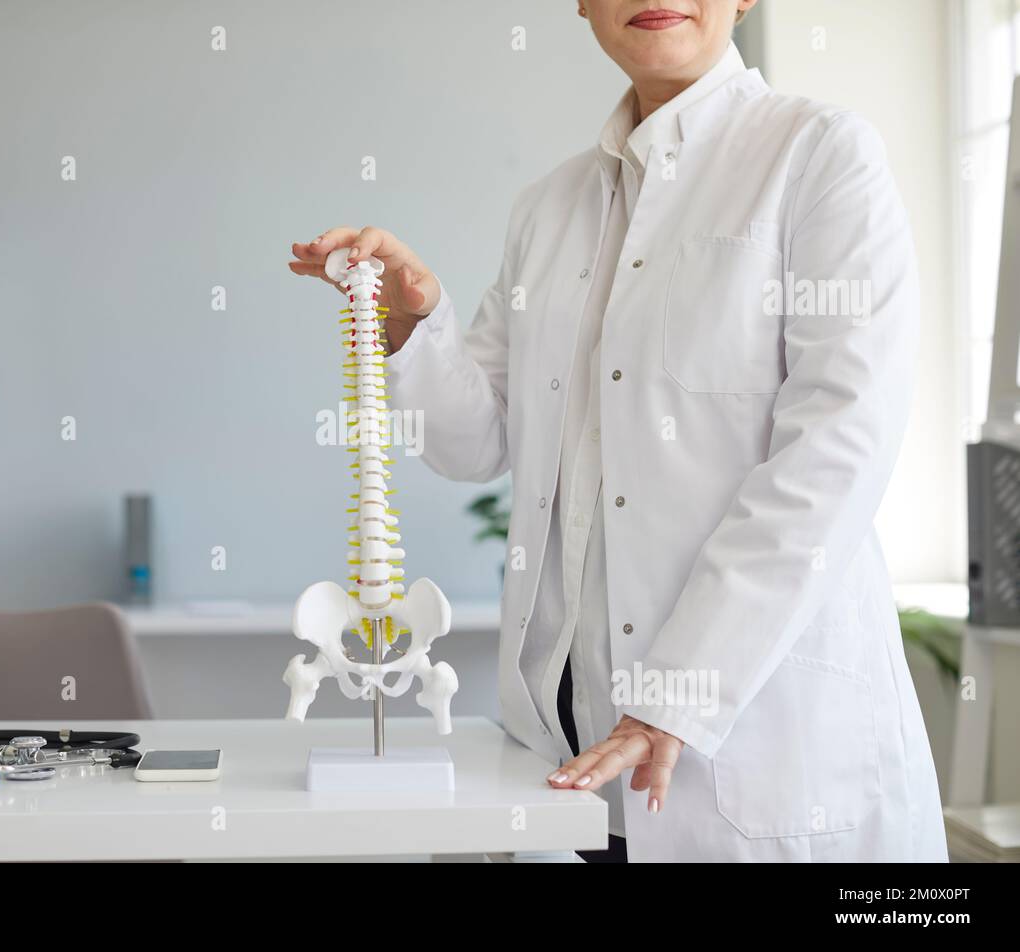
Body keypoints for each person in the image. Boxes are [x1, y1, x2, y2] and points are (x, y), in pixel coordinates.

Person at [288, 0, 948, 862]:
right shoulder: (549, 208)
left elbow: (839, 448)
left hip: (753, 765)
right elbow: (473, 441)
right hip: (567, 767)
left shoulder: (819, 156)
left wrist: (679, 691)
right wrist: (415, 322)